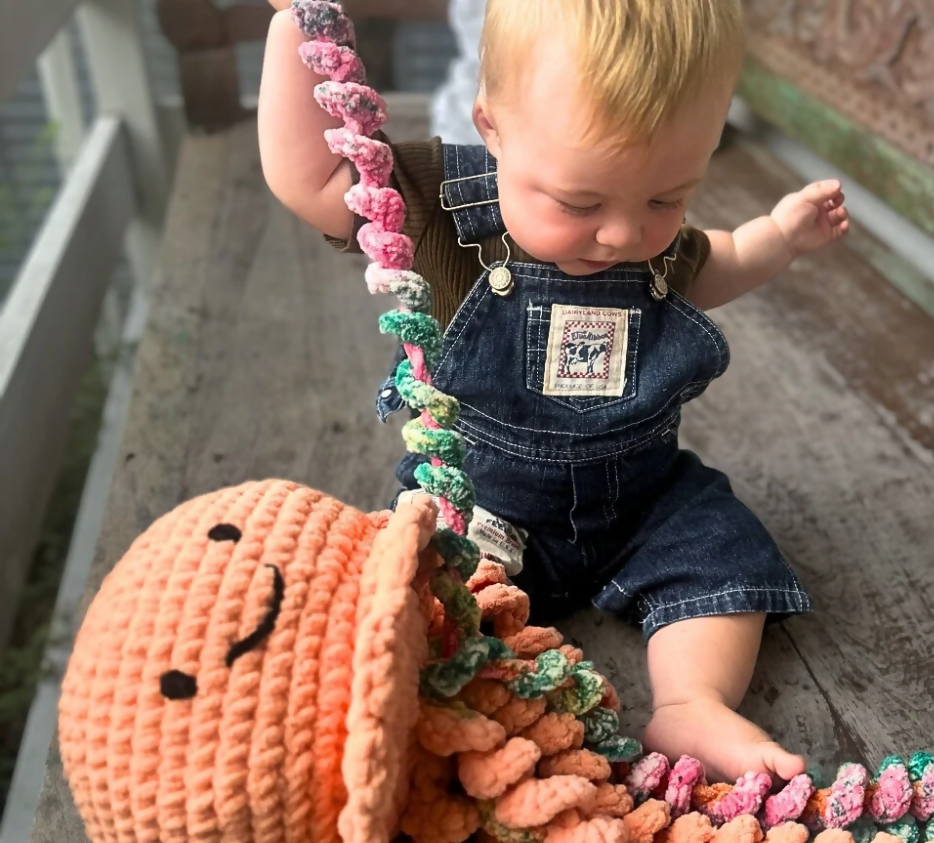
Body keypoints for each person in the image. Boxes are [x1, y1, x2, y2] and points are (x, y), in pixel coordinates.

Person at [258, 0, 850, 781]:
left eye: (667, 199)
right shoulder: (442, 208)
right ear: (492, 128)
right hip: (487, 507)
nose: (622, 236)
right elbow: (314, 179)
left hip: (644, 501)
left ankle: (691, 701)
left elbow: (723, 261)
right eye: (579, 203)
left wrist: (779, 235)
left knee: (721, 556)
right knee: (412, 592)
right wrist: (293, 26)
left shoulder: (646, 237)